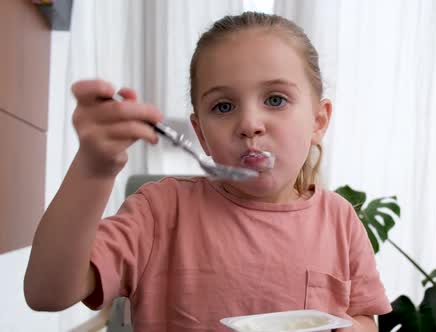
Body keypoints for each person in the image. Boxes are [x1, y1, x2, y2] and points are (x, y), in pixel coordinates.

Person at [24, 12, 391, 331]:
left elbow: (363, 318)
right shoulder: (160, 211)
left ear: (318, 120)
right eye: (224, 106)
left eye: (275, 99)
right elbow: (46, 291)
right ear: (200, 133)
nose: (249, 123)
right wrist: (93, 168)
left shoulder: (340, 221)